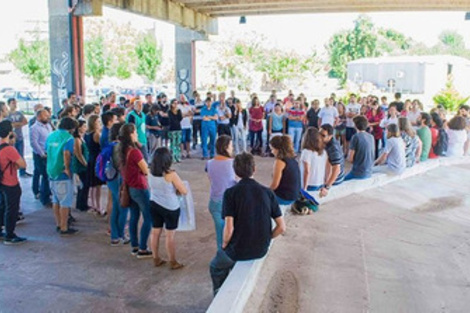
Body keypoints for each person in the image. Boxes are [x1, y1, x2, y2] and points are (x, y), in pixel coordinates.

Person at [209, 152, 286, 295]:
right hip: (261, 249)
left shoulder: (230, 193)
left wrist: (224, 245)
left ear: (235, 171)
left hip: (238, 250)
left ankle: (219, 293)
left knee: (215, 266)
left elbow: (229, 228)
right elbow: (281, 227)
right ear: (254, 169)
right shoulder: (268, 193)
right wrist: (266, 238)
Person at [149, 147, 187, 269]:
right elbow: (183, 191)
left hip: (154, 203)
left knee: (155, 232)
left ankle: (156, 258)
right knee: (170, 235)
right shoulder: (171, 175)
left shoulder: (149, 172)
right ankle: (173, 261)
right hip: (170, 207)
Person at [118, 123, 152, 258]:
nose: (137, 134)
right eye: (136, 132)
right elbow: (145, 170)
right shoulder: (135, 152)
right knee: (148, 217)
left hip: (129, 187)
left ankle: (135, 246)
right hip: (139, 186)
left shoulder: (122, 150)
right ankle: (143, 248)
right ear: (131, 134)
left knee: (134, 217)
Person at [46, 117, 79, 236]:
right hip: (62, 173)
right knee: (65, 201)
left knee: (56, 199)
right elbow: (66, 153)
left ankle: (58, 223)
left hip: (51, 170)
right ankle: (64, 227)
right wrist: (67, 168)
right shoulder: (68, 138)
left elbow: (47, 151)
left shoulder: (51, 135)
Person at [206, 135, 237, 249]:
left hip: (214, 201)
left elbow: (211, 180)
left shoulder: (209, 163)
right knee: (231, 232)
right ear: (225, 147)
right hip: (229, 202)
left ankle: (221, 256)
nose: (232, 148)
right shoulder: (233, 163)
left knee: (220, 234)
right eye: (231, 146)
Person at [0, 120, 27, 244]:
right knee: (12, 208)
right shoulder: (9, 149)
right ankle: (10, 235)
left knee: (2, 205)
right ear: (10, 132)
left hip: (1, 181)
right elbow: (22, 164)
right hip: (10, 181)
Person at [107, 123, 129, 246]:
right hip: (119, 179)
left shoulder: (110, 145)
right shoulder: (119, 147)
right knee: (123, 206)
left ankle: (115, 235)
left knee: (116, 206)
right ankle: (121, 234)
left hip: (111, 178)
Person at [269, 135, 301, 209]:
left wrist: (266, 193)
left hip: (285, 197)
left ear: (278, 149)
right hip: (294, 195)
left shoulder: (279, 162)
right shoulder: (293, 159)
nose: (271, 152)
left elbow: (274, 185)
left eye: (272, 149)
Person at [30, 109, 53, 206]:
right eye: (45, 115)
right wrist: (41, 153)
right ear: (39, 117)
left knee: (48, 175)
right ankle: (45, 198)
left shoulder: (48, 125)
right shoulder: (34, 128)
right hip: (41, 155)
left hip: (49, 153)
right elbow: (34, 143)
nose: (47, 117)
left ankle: (47, 193)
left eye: (48, 115)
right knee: (45, 176)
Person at [84, 115, 104, 215]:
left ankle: (93, 204)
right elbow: (102, 145)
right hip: (97, 159)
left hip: (90, 159)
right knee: (97, 185)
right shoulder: (96, 134)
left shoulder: (87, 134)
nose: (99, 123)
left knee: (92, 185)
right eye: (98, 122)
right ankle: (98, 206)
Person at [319, 124, 345, 197]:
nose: (320, 137)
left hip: (336, 179)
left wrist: (327, 187)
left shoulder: (333, 149)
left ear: (330, 136)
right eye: (319, 134)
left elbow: (337, 169)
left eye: (323, 135)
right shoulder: (327, 142)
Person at [345, 115, 374, 181]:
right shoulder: (371, 136)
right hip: (369, 171)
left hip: (358, 172)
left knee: (340, 181)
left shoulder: (356, 137)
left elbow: (350, 158)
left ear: (355, 125)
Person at [6, 98, 30, 177]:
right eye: (13, 103)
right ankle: (12, 173)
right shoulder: (7, 114)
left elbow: (25, 122)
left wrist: (15, 124)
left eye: (15, 103)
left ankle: (23, 172)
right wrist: (18, 124)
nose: (15, 104)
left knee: (21, 155)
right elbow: (9, 124)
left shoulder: (19, 113)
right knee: (12, 156)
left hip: (20, 137)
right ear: (9, 104)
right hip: (11, 139)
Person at [300, 127, 327, 193]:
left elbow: (307, 171)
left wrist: (304, 187)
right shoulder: (323, 151)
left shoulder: (306, 152)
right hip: (320, 182)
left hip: (310, 183)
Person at [71, 120, 89, 212]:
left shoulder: (82, 137)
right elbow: (78, 154)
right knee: (83, 185)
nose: (86, 128)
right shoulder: (77, 139)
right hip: (80, 166)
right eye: (84, 126)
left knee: (85, 185)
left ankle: (83, 203)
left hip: (84, 164)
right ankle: (81, 204)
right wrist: (85, 163)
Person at [168, 99, 183, 163]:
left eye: (176, 103)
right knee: (173, 144)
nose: (175, 104)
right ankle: (173, 157)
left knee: (178, 143)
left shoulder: (179, 110)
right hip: (172, 129)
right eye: (174, 103)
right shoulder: (169, 111)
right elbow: (171, 119)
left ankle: (178, 157)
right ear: (171, 104)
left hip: (178, 128)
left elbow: (180, 118)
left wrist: (178, 112)